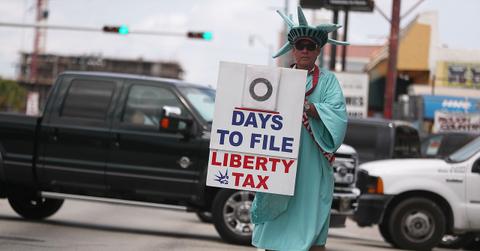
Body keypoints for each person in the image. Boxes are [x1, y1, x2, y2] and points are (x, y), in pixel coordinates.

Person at [250, 6, 348, 251]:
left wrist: (308, 108)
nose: (304, 50)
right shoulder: (277, 79)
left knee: (312, 222)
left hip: (311, 162)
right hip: (280, 160)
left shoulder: (327, 81)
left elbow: (337, 115)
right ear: (292, 50)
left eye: (310, 46)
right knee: (277, 219)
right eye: (300, 46)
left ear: (318, 51)